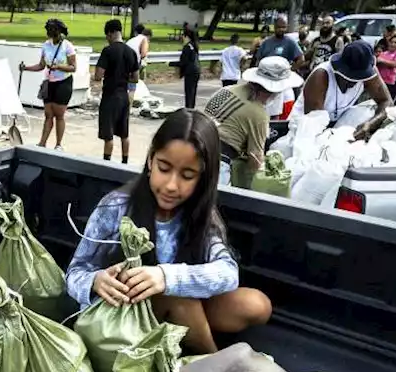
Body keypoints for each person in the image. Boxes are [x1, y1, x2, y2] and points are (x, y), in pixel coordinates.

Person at [66, 110, 271, 355]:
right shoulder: (116, 207)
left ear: (203, 178)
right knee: (179, 300)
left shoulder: (202, 216)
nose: (172, 186)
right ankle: (214, 365)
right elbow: (75, 272)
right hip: (125, 317)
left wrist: (166, 277)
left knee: (256, 305)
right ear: (151, 160)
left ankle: (190, 339)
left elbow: (228, 272)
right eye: (164, 168)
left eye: (187, 176)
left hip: (182, 312)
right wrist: (95, 281)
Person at [205, 56, 302, 189]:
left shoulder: (226, 90)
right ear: (276, 91)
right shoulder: (259, 114)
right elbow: (255, 158)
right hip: (218, 163)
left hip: (197, 147)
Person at [292, 41, 391, 141]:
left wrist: (370, 124)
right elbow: (313, 124)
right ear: (339, 69)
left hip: (335, 125)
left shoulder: (369, 75)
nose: (353, 82)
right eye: (348, 77)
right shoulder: (321, 76)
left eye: (357, 78)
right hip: (303, 129)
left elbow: (386, 102)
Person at [21, 19, 76, 150]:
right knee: (48, 115)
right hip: (49, 83)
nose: (49, 32)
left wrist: (58, 67)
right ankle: (42, 142)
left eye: (52, 29)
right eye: (48, 29)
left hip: (63, 83)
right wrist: (26, 68)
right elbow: (41, 65)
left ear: (59, 30)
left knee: (59, 115)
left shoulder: (67, 46)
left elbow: (73, 67)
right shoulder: (46, 45)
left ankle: (58, 144)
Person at [95, 19, 139, 164]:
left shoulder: (108, 51)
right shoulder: (131, 52)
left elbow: (98, 75)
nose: (107, 39)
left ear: (110, 33)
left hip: (110, 96)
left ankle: (106, 162)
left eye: (107, 36)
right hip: (124, 95)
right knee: (124, 133)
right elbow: (135, 78)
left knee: (109, 135)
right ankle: (125, 162)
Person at [174, 28, 201, 109]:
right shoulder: (194, 46)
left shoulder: (187, 47)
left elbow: (183, 62)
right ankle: (191, 108)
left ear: (186, 36)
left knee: (189, 92)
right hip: (196, 70)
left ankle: (189, 110)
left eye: (183, 35)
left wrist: (171, 63)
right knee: (193, 92)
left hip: (190, 72)